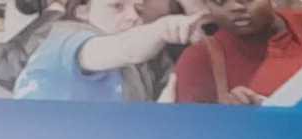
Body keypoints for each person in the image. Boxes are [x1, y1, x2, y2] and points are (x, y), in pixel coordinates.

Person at [12, 0, 208, 102]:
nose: (133, 16)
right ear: (82, 9)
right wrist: (163, 29)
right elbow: (124, 49)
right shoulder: (64, 38)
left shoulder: (146, 66)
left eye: (137, 8)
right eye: (117, 6)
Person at [172, 0, 302, 104]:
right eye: (220, 1)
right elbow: (192, 138)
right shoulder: (199, 60)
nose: (235, 7)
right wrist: (232, 120)